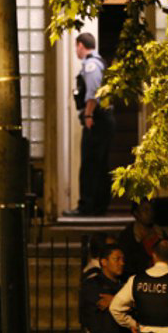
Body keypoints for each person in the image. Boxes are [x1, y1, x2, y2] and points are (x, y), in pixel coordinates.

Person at [64, 32, 115, 217]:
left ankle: (87, 207)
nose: (76, 51)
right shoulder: (98, 62)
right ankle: (98, 207)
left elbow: (93, 93)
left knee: (90, 165)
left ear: (80, 45)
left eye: (76, 46)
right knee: (98, 165)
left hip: (97, 119)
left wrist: (88, 115)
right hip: (102, 118)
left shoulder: (91, 65)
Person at [117, 199, 168, 279]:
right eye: (145, 210)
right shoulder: (128, 236)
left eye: (151, 209)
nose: (149, 213)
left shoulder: (160, 233)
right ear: (136, 213)